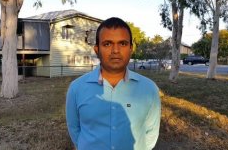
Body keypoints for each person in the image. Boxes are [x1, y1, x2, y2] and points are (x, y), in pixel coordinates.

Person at [66, 17, 161, 150]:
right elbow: (74, 130)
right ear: (96, 49)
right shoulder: (76, 89)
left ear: (131, 48)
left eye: (122, 43)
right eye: (107, 44)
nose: (115, 50)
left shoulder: (149, 89)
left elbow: (151, 134)